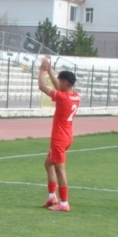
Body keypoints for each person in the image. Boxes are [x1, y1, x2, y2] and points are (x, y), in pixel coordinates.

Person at [37, 57, 81, 212]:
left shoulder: (63, 98)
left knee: (59, 170)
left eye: (61, 81)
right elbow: (58, 86)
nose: (58, 83)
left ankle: (64, 203)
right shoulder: (75, 96)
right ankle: (52, 196)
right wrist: (50, 70)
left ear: (66, 84)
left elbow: (42, 87)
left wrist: (42, 71)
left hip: (59, 138)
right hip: (68, 136)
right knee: (48, 164)